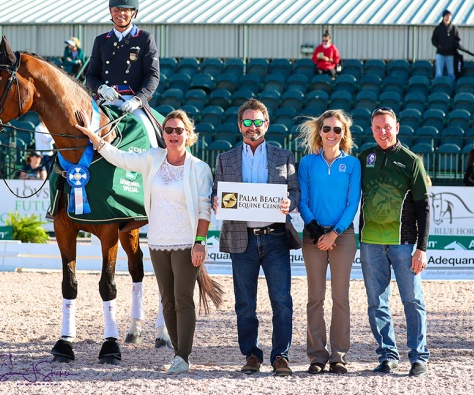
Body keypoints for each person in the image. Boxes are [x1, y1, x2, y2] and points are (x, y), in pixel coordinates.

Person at [74, 108, 212, 375]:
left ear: (188, 134)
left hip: (186, 243)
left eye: (179, 130)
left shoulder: (199, 168)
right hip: (158, 243)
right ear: (163, 134)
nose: (173, 135)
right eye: (168, 130)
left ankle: (184, 356)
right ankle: (176, 356)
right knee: (167, 301)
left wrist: (199, 242)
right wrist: (95, 138)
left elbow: (205, 210)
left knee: (183, 300)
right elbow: (121, 158)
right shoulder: (152, 158)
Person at [212, 98, 300, 377]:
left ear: (267, 124)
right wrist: (217, 202)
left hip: (275, 238)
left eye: (257, 122)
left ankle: (280, 356)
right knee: (245, 303)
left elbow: (295, 192)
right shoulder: (225, 159)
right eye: (247, 122)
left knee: (282, 300)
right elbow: (218, 192)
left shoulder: (283, 156)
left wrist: (291, 204)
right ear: (240, 125)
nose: (253, 127)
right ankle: (251, 354)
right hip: (242, 238)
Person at [358, 107, 430, 378]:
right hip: (370, 243)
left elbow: (423, 207)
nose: (382, 132)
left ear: (397, 127)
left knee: (412, 300)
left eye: (387, 126)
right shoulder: (364, 157)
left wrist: (421, 247)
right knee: (377, 303)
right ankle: (388, 355)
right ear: (372, 129)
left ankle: (418, 357)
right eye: (377, 127)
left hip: (404, 244)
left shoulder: (412, 161)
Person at [297, 109, 361, 375]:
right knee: (315, 297)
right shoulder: (307, 163)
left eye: (337, 129)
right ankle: (317, 355)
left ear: (343, 133)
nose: (331, 133)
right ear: (319, 132)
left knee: (341, 297)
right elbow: (302, 199)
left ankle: (338, 355)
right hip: (313, 236)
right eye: (327, 129)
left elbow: (352, 202)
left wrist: (334, 233)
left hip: (342, 236)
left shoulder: (353, 164)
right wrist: (315, 231)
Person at [86, 0, 161, 147]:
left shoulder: (144, 39)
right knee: (82, 137)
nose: (121, 13)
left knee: (152, 141)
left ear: (134, 13)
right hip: (106, 100)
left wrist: (138, 100)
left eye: (126, 10)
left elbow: (153, 76)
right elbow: (91, 76)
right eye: (116, 9)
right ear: (110, 11)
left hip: (133, 102)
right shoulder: (101, 41)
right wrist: (101, 89)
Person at [431, 9, 461, 79]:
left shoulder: (454, 28)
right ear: (443, 17)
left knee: (451, 73)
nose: (448, 17)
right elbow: (433, 39)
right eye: (447, 16)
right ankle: (438, 85)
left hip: (450, 53)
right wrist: (438, 46)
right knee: (439, 73)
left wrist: (454, 45)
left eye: (450, 16)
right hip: (440, 53)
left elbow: (457, 39)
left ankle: (451, 86)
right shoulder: (438, 28)